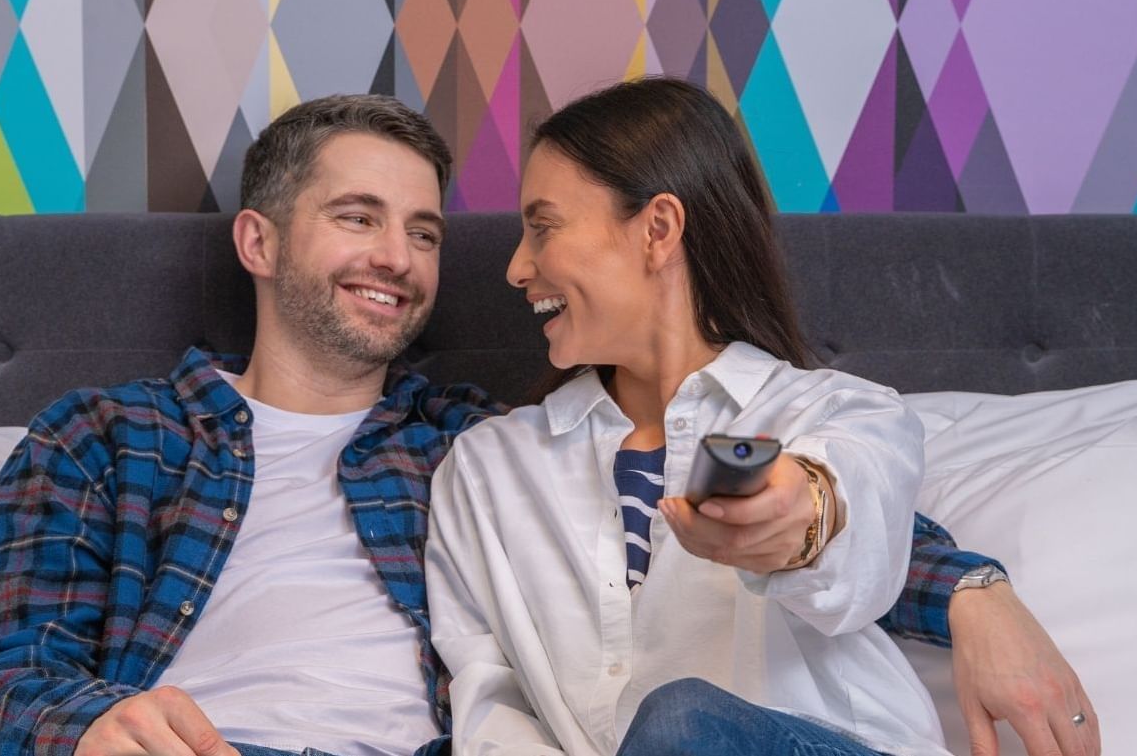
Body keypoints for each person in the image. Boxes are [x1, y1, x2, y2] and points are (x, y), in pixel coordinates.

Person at [0, 93, 1092, 756]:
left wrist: (975, 588)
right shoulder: (106, 439)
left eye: (425, 231)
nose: (399, 256)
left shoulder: (453, 440)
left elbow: (815, 492)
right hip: (214, 745)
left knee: (679, 720)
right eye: (358, 217)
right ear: (259, 242)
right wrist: (89, 729)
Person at [425, 78, 1099, 756]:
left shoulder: (840, 410)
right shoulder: (486, 470)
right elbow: (490, 703)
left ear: (657, 230)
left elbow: (852, 513)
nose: (517, 267)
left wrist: (799, 516)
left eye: (542, 227)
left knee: (680, 720)